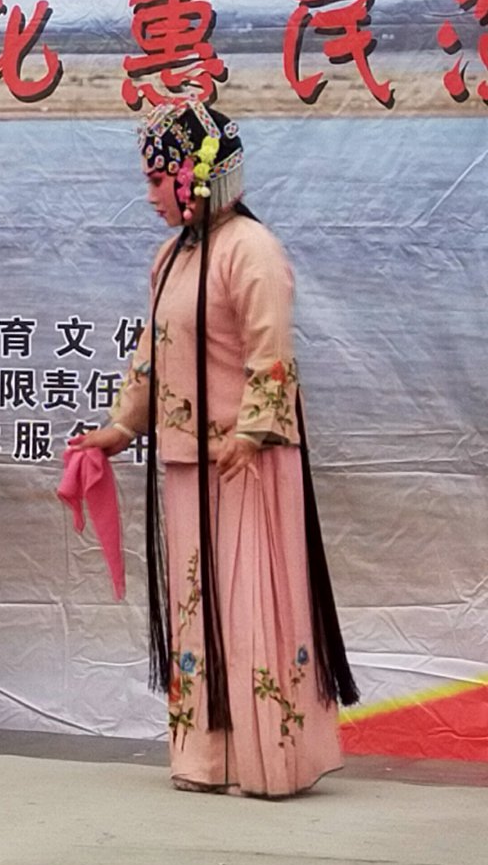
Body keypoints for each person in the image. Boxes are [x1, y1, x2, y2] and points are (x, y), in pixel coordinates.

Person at [67, 101, 358, 797]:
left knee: (251, 605)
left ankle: (271, 762)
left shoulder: (252, 250)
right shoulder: (171, 257)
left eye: (155, 180)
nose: (148, 195)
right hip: (188, 462)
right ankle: (206, 758)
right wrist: (119, 427)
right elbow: (152, 355)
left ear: (193, 180)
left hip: (246, 459)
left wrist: (252, 432)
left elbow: (271, 353)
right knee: (197, 607)